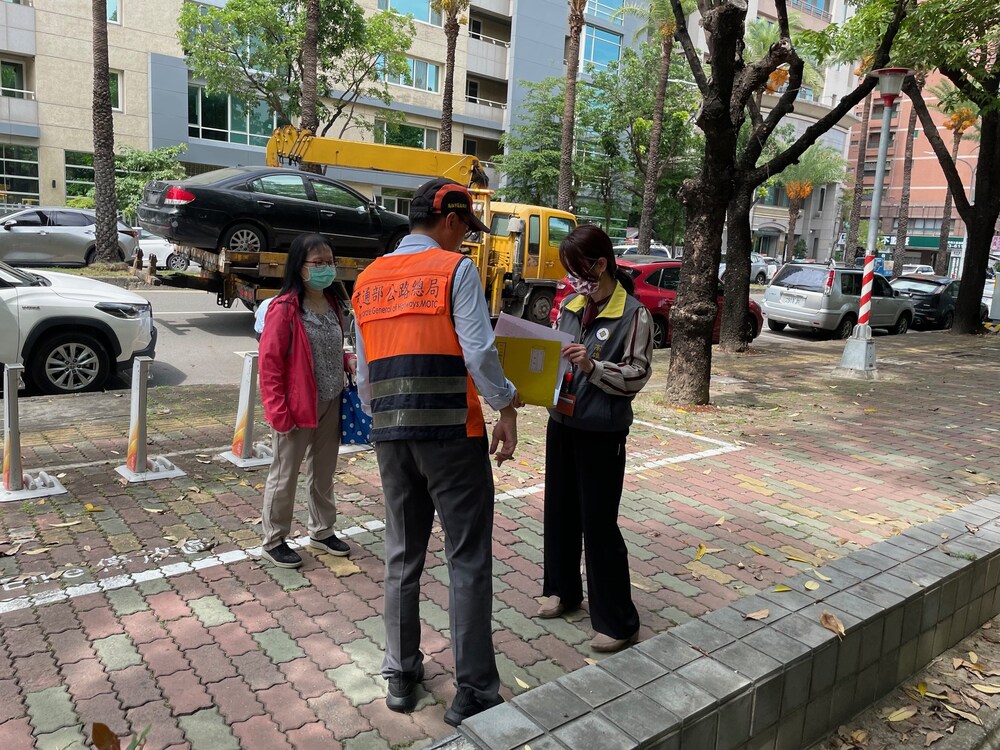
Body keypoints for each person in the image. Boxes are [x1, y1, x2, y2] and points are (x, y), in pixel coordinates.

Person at [353, 178, 519, 727]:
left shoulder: (369, 279)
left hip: (393, 438)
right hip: (452, 436)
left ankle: (401, 674)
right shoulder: (455, 271)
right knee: (467, 558)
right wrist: (507, 405)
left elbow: (365, 374)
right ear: (448, 218)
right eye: (465, 228)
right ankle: (473, 689)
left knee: (402, 555)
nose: (466, 240)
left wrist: (383, 424)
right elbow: (479, 349)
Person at [536, 224, 654, 653]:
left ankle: (619, 621)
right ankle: (563, 592)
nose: (572, 280)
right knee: (560, 511)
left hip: (602, 431)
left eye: (578, 270)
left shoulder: (633, 314)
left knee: (598, 523)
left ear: (601, 265)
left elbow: (638, 374)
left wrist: (594, 369)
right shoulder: (570, 305)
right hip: (562, 423)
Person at [257, 233, 355, 568]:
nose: (327, 268)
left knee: (324, 473)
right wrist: (277, 411)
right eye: (319, 263)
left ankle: (322, 530)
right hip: (296, 406)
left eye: (330, 262)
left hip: (332, 399)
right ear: (300, 268)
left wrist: (346, 362)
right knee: (285, 474)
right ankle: (273, 539)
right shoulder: (283, 309)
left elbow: (328, 347)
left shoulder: (332, 305)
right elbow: (269, 363)